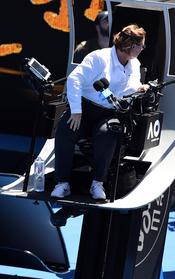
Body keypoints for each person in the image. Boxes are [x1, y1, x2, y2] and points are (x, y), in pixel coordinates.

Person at [51, 24, 150, 200]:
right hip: (84, 109)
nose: (143, 48)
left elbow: (128, 87)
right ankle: (62, 184)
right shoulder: (98, 58)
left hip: (108, 113)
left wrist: (139, 88)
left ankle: (97, 184)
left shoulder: (134, 64)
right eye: (141, 45)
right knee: (65, 131)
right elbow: (74, 79)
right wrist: (76, 111)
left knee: (108, 134)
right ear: (131, 46)